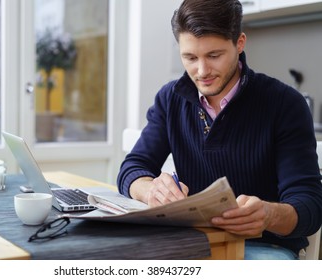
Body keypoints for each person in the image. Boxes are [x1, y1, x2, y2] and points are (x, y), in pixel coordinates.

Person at [117, 0, 322, 260]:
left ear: (239, 43)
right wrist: (151, 190)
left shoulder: (284, 104)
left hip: (261, 247)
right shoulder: (170, 99)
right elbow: (132, 168)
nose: (201, 72)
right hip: (189, 241)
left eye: (214, 56)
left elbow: (310, 207)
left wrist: (268, 215)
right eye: (190, 58)